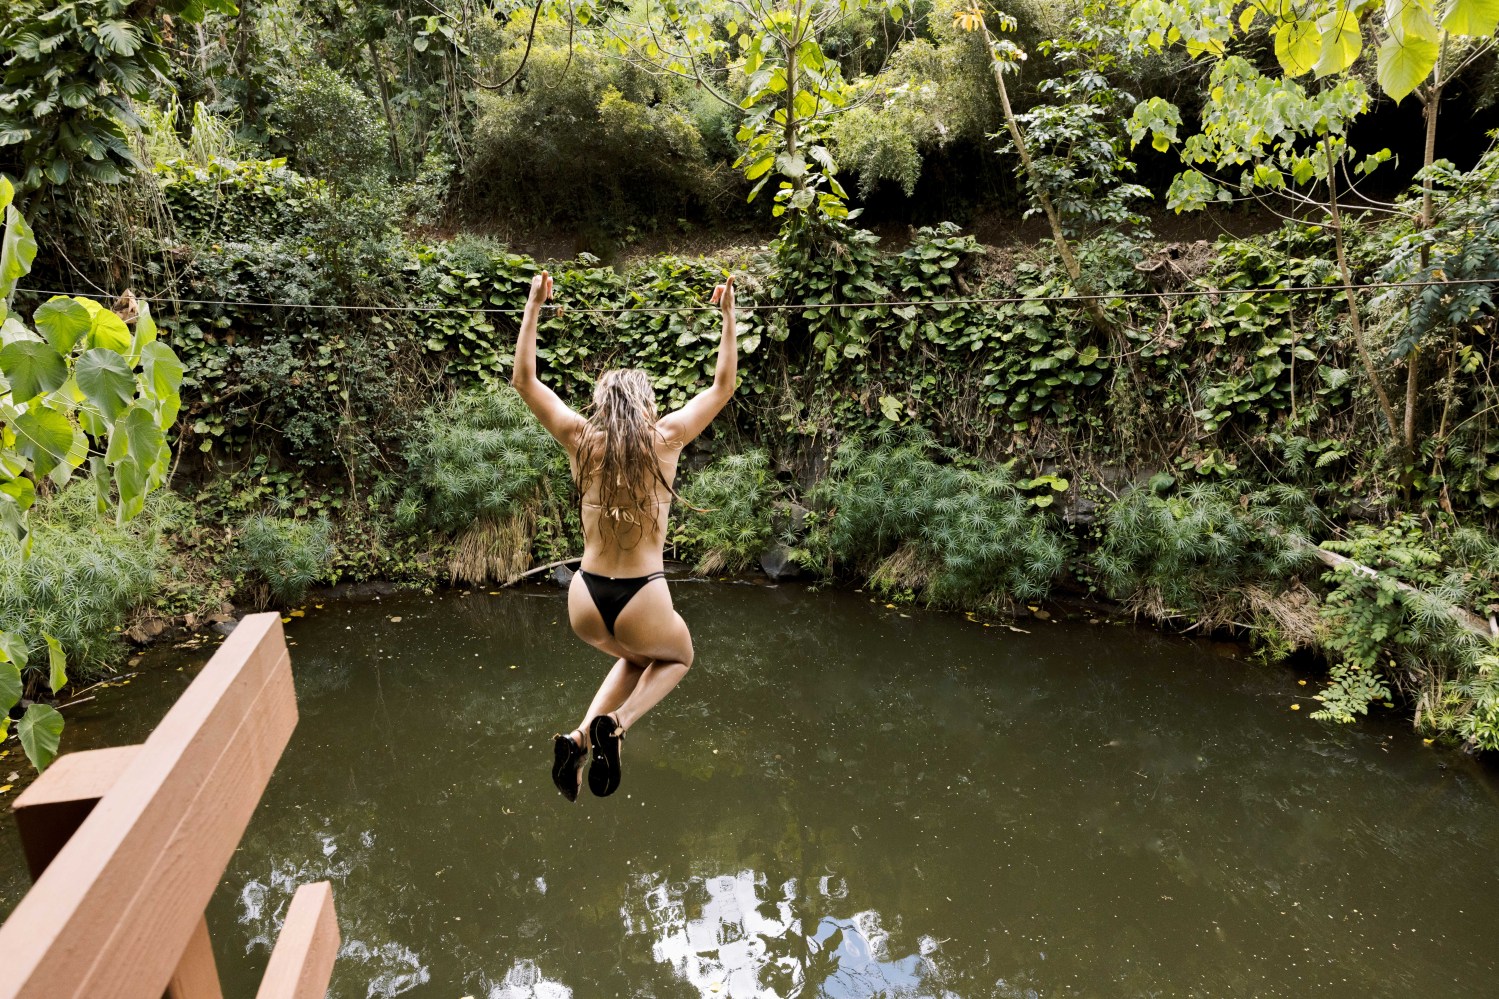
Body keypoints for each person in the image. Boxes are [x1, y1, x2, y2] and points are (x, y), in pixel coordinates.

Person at [510, 268, 737, 800]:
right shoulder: (668, 437)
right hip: (642, 595)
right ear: (644, 402)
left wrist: (533, 305)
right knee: (678, 657)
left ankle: (578, 739)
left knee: (635, 657)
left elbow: (525, 380)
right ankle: (619, 723)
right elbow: (722, 386)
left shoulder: (580, 438)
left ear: (602, 403)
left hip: (585, 595)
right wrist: (727, 317)